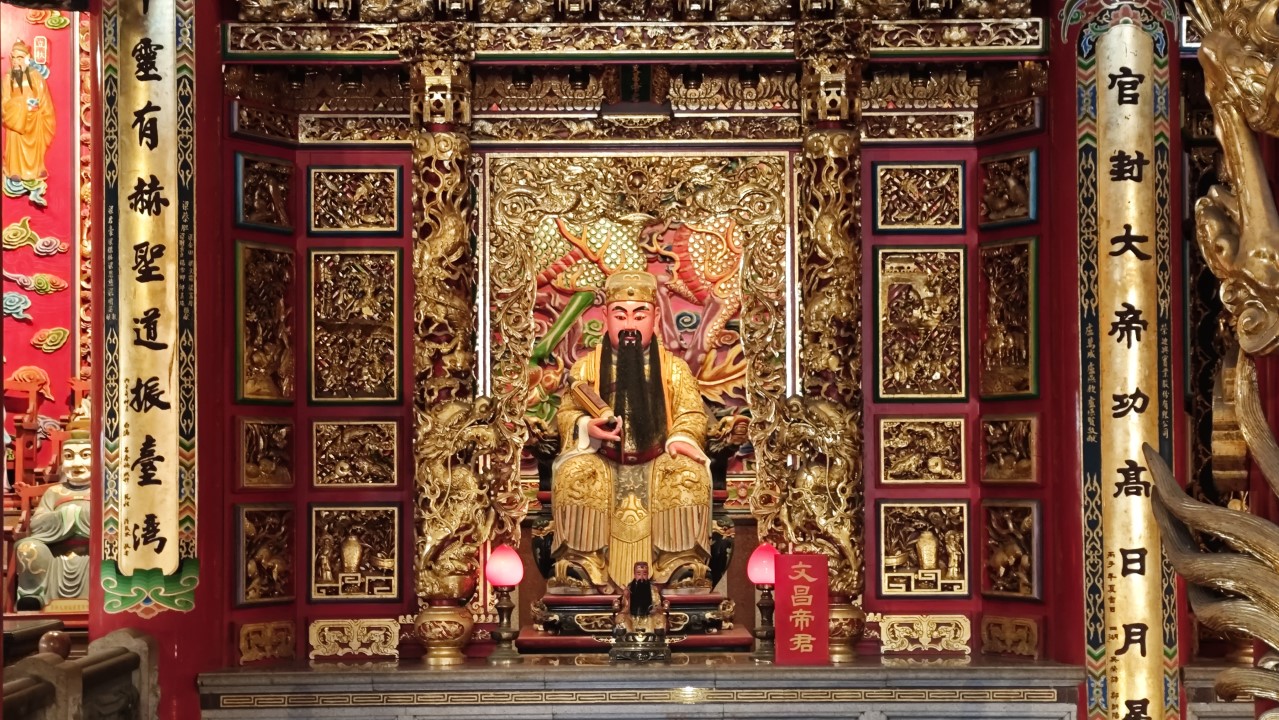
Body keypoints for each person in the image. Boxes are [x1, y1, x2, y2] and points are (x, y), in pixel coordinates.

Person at [551, 269, 712, 593]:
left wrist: (681, 438)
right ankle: (584, 563)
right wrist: (586, 427)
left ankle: (677, 562)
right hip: (603, 458)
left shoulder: (674, 369)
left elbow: (691, 413)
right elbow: (567, 412)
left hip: (659, 457)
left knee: (687, 474)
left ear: (655, 319)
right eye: (620, 315)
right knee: (574, 473)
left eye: (640, 315)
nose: (629, 324)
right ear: (606, 318)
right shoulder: (585, 368)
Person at [14, 414, 91, 611]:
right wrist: (68, 516)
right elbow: (37, 524)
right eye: (69, 457)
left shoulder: (105, 492)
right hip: (55, 552)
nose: (76, 463)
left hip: (92, 551)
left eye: (85, 455)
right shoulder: (54, 492)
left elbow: (111, 523)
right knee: (27, 547)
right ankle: (33, 596)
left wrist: (75, 515)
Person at [1, 39, 56, 207]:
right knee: (15, 143)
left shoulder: (36, 76)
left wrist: (35, 107)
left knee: (36, 142)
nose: (16, 61)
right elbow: (4, 102)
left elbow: (43, 98)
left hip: (34, 118)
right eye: (14, 58)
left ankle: (37, 169)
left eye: (20, 57)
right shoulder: (8, 78)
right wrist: (19, 106)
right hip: (16, 120)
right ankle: (15, 171)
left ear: (27, 58)